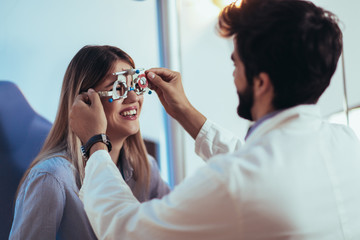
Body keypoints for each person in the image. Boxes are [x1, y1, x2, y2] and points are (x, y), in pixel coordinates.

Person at [70, 0, 360, 239]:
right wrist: (184, 111)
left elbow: (126, 230)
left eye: (236, 63)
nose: (233, 74)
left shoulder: (235, 183)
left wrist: (96, 144)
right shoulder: (347, 144)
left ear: (261, 82)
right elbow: (261, 163)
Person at [9, 45, 169, 239]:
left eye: (136, 86)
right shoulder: (51, 178)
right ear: (84, 104)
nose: (134, 98)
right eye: (118, 88)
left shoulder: (146, 168)